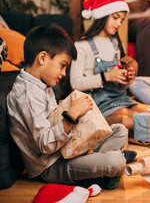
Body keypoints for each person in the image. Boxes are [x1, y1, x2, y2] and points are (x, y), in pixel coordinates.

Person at [7, 24, 136, 190]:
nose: (63, 73)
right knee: (116, 162)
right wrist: (70, 116)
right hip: (50, 165)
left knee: (120, 130)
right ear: (43, 58)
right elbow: (45, 145)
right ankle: (99, 170)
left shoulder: (41, 84)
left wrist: (62, 110)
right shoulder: (26, 94)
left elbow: (49, 120)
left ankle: (96, 166)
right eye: (62, 65)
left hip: (66, 149)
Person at [70, 0, 148, 130]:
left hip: (120, 98)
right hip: (97, 106)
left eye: (122, 20)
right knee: (131, 119)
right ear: (102, 15)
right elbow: (75, 83)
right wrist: (106, 76)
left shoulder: (117, 44)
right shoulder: (81, 45)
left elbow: (120, 85)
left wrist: (127, 80)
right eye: (115, 17)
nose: (119, 23)